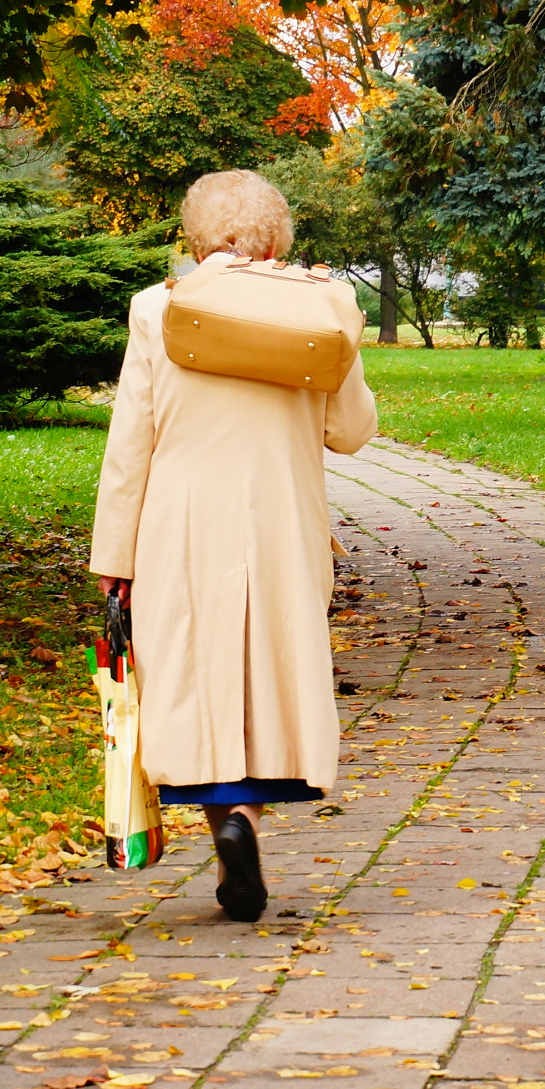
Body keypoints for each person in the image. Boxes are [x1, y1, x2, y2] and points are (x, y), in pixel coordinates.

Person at [90, 170, 378, 921]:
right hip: (281, 514)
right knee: (273, 664)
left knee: (196, 669)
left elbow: (131, 445)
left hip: (180, 518)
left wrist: (114, 560)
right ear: (277, 234)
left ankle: (226, 819)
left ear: (195, 235)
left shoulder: (158, 309)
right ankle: (248, 820)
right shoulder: (323, 306)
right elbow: (350, 431)